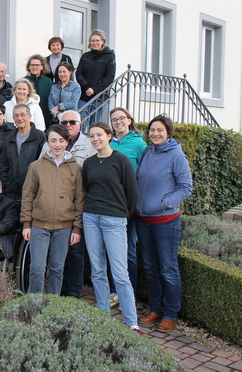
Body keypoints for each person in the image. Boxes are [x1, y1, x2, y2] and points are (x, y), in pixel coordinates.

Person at [82, 122, 140, 334]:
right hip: (91, 218)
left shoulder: (121, 160)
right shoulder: (88, 163)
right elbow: (88, 188)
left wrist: (122, 215)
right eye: (92, 136)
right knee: (97, 270)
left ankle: (131, 321)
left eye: (99, 135)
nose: (95, 139)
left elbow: (132, 193)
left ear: (109, 136)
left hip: (114, 220)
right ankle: (103, 314)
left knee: (119, 273)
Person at [136, 115, 193, 333]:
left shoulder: (176, 155)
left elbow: (186, 187)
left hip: (165, 221)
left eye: (160, 130)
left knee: (168, 268)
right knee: (150, 267)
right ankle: (156, 308)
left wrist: (164, 204)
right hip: (143, 220)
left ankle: (170, 314)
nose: (155, 134)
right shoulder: (148, 152)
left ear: (168, 132)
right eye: (152, 130)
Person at [21, 124, 84, 294]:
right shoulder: (36, 166)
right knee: (37, 269)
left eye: (61, 141)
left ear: (67, 142)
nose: (57, 145)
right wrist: (26, 223)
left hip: (64, 227)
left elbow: (79, 199)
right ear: (47, 143)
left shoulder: (75, 168)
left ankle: (52, 305)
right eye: (53, 141)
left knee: (57, 268)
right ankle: (34, 303)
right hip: (39, 226)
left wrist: (77, 227)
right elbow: (27, 196)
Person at [43, 110, 95, 298]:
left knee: (75, 252)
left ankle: (73, 292)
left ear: (80, 124)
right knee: (56, 254)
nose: (68, 125)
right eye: (64, 122)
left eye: (72, 122)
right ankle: (58, 290)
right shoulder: (47, 145)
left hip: (77, 205)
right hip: (54, 208)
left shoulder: (90, 145)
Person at [107, 107, 148, 303]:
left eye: (121, 118)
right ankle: (115, 292)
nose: (118, 122)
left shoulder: (139, 144)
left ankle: (129, 294)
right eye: (114, 120)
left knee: (128, 249)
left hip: (129, 206)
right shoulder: (110, 143)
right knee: (112, 250)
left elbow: (145, 174)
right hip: (110, 205)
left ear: (129, 120)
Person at [0, 104, 46, 201]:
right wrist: (3, 185)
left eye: (22, 114)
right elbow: (4, 165)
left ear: (30, 116)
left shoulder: (40, 137)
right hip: (11, 192)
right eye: (16, 115)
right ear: (13, 119)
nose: (19, 118)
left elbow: (44, 164)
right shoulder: (9, 138)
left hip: (33, 191)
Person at [76, 29, 116, 127]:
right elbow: (79, 74)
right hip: (84, 95)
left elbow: (109, 77)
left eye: (97, 40)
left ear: (102, 41)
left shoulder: (109, 57)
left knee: (94, 124)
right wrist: (86, 88)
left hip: (99, 96)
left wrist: (94, 90)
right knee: (81, 123)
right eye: (92, 40)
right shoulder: (85, 56)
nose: (95, 43)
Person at [24, 54, 54, 129]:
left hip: (46, 117)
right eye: (32, 65)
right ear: (29, 67)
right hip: (29, 117)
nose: (34, 67)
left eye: (37, 65)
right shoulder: (24, 81)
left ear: (42, 67)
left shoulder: (48, 81)